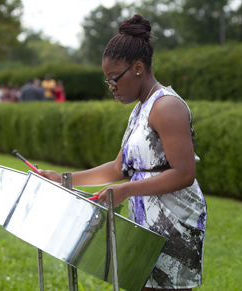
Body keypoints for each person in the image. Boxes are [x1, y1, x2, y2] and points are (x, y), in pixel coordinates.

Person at [37, 15, 206, 290]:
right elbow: (119, 169)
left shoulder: (167, 107)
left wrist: (125, 191)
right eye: (107, 81)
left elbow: (185, 174)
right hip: (146, 218)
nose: (111, 87)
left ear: (138, 68)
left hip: (174, 221)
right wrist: (63, 179)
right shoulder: (141, 109)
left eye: (114, 78)